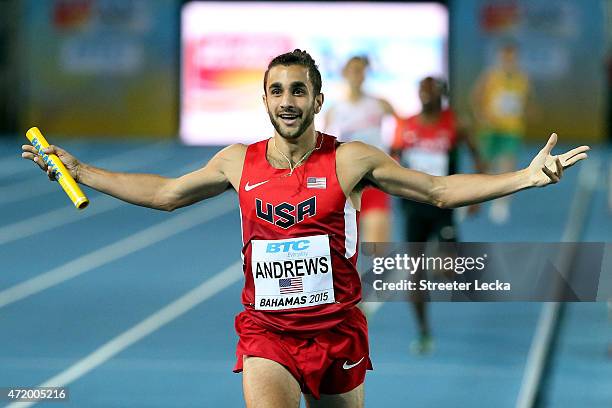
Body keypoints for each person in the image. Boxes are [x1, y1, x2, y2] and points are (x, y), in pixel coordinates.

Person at [22, 49, 588, 408]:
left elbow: (437, 190)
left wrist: (523, 177)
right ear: (265, 99)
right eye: (276, 90)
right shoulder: (237, 162)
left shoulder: (350, 160)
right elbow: (167, 194)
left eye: (298, 91)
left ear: (317, 99)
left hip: (337, 331)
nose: (287, 101)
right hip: (267, 333)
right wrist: (83, 171)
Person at [391, 76, 486, 354]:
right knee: (415, 274)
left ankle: (443, 256)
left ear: (440, 94)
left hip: (444, 203)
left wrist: (477, 194)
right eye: (421, 90)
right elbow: (391, 158)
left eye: (430, 91)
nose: (425, 95)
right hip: (413, 207)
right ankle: (423, 331)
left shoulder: (455, 123)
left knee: (448, 270)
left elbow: (477, 156)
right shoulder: (406, 125)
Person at [324, 55, 395, 243]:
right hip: (348, 184)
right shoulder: (335, 110)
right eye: (354, 70)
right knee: (345, 252)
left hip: (374, 180)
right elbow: (323, 146)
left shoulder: (380, 104)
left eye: (362, 70)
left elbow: (402, 130)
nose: (358, 75)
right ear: (344, 74)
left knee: (376, 247)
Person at [471, 42, 533, 224]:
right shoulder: (491, 76)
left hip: (511, 129)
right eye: (506, 57)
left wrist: (528, 111)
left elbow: (527, 101)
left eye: (512, 58)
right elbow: (476, 96)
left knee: (507, 165)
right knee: (485, 166)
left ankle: (501, 204)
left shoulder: (523, 78)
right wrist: (480, 115)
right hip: (491, 129)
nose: (509, 61)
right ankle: (473, 200)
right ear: (500, 58)